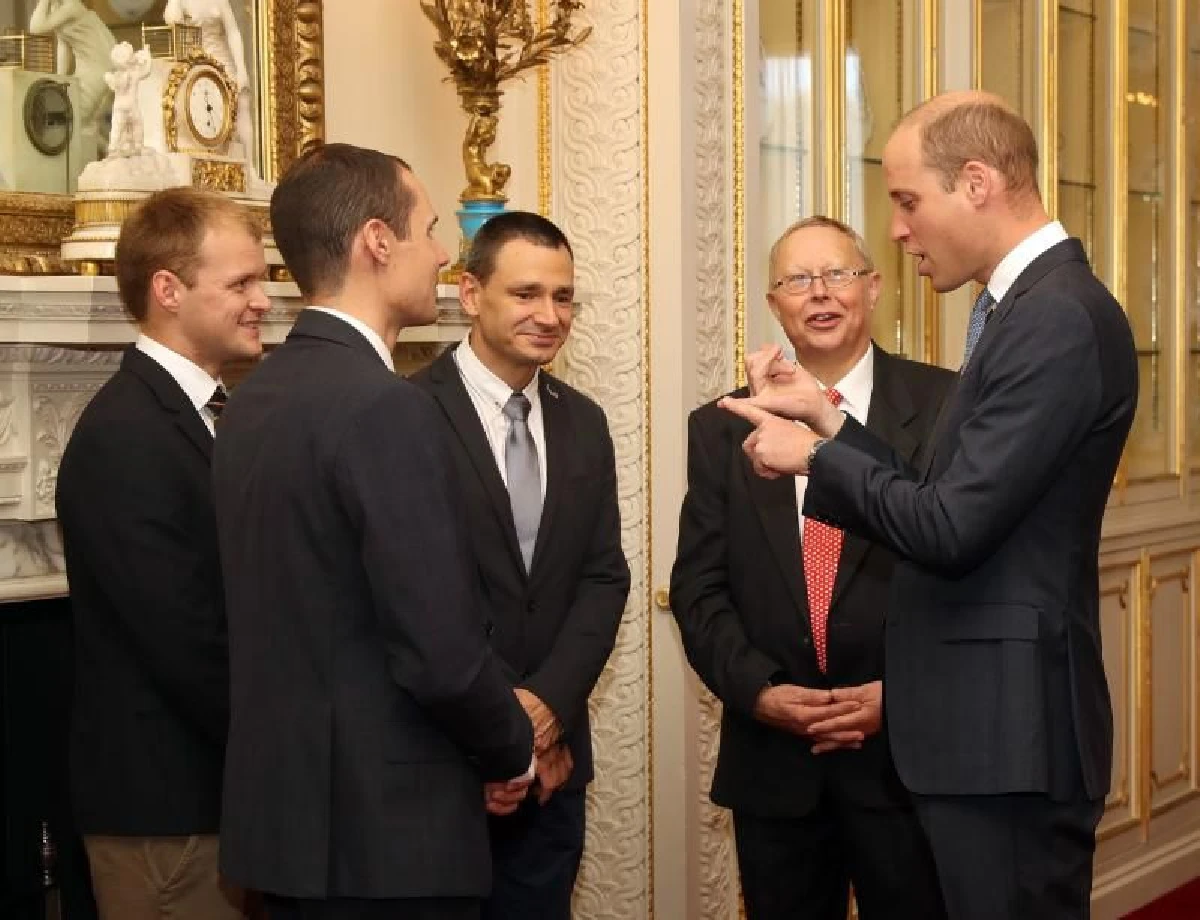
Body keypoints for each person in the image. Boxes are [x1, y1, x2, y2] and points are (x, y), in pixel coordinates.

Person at [721, 91, 1138, 919]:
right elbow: (946, 495)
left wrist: (813, 458)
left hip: (1007, 739)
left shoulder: (1055, 317)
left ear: (976, 182)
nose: (899, 230)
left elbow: (949, 528)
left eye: (909, 201)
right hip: (986, 736)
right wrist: (827, 418)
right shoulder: (1027, 309)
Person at [212, 143, 536, 920]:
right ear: (377, 242)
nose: (443, 254)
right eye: (429, 229)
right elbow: (440, 652)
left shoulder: (250, 399)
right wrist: (512, 746)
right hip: (389, 840)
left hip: (287, 835)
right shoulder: (387, 408)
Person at [669, 216, 951, 920]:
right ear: (774, 304)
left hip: (905, 760)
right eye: (797, 280)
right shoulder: (723, 424)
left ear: (874, 288)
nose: (819, 293)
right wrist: (760, 693)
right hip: (775, 769)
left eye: (838, 275)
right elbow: (699, 588)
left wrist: (904, 695)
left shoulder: (945, 406)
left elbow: (961, 568)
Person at [56, 186, 270, 920]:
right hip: (168, 817)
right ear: (168, 290)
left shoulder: (212, 414)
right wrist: (294, 745)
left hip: (216, 801)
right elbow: (186, 640)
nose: (262, 300)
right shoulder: (125, 435)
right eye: (240, 283)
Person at [411, 211, 630, 920]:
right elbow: (416, 599)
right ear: (471, 294)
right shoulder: (406, 413)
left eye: (563, 297)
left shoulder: (584, 421)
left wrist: (549, 710)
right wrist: (502, 729)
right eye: (526, 293)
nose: (549, 315)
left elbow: (603, 577)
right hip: (446, 763)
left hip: (554, 769)